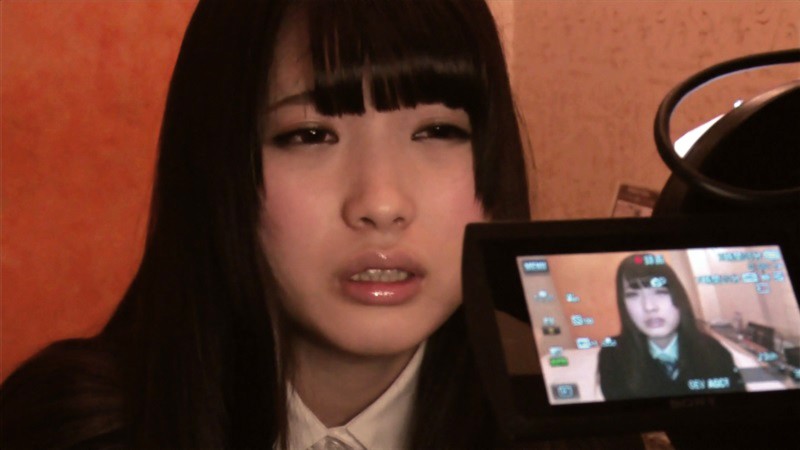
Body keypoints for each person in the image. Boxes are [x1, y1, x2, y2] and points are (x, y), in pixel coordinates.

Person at [1, 1, 531, 448]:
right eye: (310, 135)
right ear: (218, 164)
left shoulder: (560, 424)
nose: (382, 203)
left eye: (437, 130)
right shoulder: (70, 429)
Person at [598, 254, 745, 401]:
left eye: (661, 292)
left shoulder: (715, 351)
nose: (649, 307)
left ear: (678, 296)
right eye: (633, 295)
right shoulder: (612, 355)